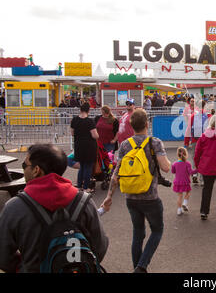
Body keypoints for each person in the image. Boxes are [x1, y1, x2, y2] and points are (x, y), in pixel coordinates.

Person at [0, 144, 108, 272]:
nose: (23, 169)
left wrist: (25, 266)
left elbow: (3, 257)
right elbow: (100, 247)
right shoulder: (84, 201)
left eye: (24, 166)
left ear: (36, 170)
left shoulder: (15, 207)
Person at [101, 109, 171, 273]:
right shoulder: (155, 142)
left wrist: (109, 196)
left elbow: (116, 173)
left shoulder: (125, 145)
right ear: (147, 124)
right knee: (157, 230)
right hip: (150, 197)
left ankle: (137, 268)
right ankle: (141, 267)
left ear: (132, 127)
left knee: (138, 233)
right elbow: (166, 167)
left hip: (131, 198)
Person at [70, 102, 99, 192]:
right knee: (88, 167)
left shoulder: (74, 120)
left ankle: (79, 186)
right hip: (89, 147)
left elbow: (72, 133)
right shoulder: (90, 121)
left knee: (82, 166)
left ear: (80, 109)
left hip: (78, 145)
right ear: (88, 110)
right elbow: (95, 135)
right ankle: (86, 188)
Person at [171, 147, 197, 216]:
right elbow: (191, 172)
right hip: (185, 182)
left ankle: (179, 210)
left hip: (177, 182)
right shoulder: (187, 164)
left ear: (177, 154)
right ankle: (185, 203)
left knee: (179, 196)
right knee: (188, 193)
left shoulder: (174, 164)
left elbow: (173, 171)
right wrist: (198, 169)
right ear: (186, 154)